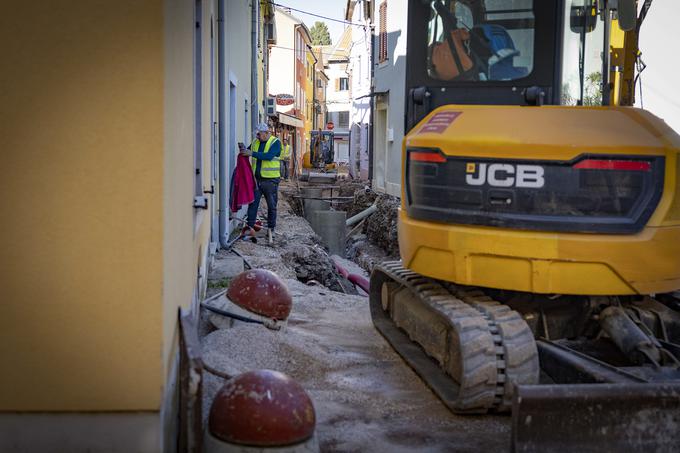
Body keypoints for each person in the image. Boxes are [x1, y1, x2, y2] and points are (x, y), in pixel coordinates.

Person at [242, 123, 281, 244]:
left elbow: (269, 156)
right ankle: (250, 228)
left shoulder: (275, 142)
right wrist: (244, 150)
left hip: (270, 180)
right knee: (253, 204)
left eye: (259, 134)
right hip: (257, 180)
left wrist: (251, 153)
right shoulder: (255, 142)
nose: (257, 137)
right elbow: (248, 151)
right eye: (256, 134)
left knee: (271, 206)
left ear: (266, 133)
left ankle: (271, 228)